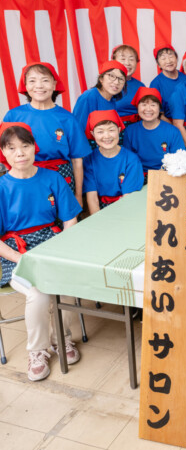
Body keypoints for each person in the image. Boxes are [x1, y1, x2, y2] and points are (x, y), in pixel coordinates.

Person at [0, 122, 82, 381]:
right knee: (38, 293)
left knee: (65, 284)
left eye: (25, 146)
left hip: (51, 242)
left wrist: (63, 248)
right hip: (16, 251)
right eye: (11, 148)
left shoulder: (52, 178)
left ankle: (61, 339)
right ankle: (37, 350)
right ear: (3, 152)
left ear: (34, 147)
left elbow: (69, 219)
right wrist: (20, 258)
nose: (20, 153)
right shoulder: (1, 187)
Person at [3, 62, 91, 205]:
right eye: (32, 81)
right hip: (24, 174)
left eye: (45, 80)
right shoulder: (13, 116)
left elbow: (77, 160)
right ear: (25, 85)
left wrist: (79, 196)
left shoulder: (67, 118)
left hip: (60, 175)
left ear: (54, 84)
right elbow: (5, 152)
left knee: (63, 216)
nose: (39, 86)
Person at [83, 110, 144, 214]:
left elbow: (129, 197)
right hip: (100, 209)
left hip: (127, 206)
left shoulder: (131, 159)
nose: (107, 136)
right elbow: (92, 198)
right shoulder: (89, 160)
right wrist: (99, 220)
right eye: (100, 132)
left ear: (119, 130)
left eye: (111, 130)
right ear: (93, 134)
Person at [123, 87, 186, 174]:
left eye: (153, 105)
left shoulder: (173, 131)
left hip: (166, 175)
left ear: (159, 108)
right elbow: (127, 160)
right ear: (137, 107)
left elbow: (180, 160)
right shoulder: (130, 131)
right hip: (138, 174)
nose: (148, 109)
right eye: (144, 105)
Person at [73, 60, 127, 138]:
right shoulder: (89, 97)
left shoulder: (112, 100)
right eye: (112, 76)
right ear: (101, 78)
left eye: (121, 79)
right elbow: (77, 129)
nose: (116, 82)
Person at [112, 44, 146, 133]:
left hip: (139, 128)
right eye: (123, 59)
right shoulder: (108, 85)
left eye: (131, 59)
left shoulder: (140, 86)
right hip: (115, 129)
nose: (127, 63)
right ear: (114, 61)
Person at [149, 44, 186, 120]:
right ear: (158, 64)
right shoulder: (155, 84)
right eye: (163, 58)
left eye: (171, 56)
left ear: (176, 59)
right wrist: (173, 126)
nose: (168, 61)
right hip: (168, 122)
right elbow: (158, 114)